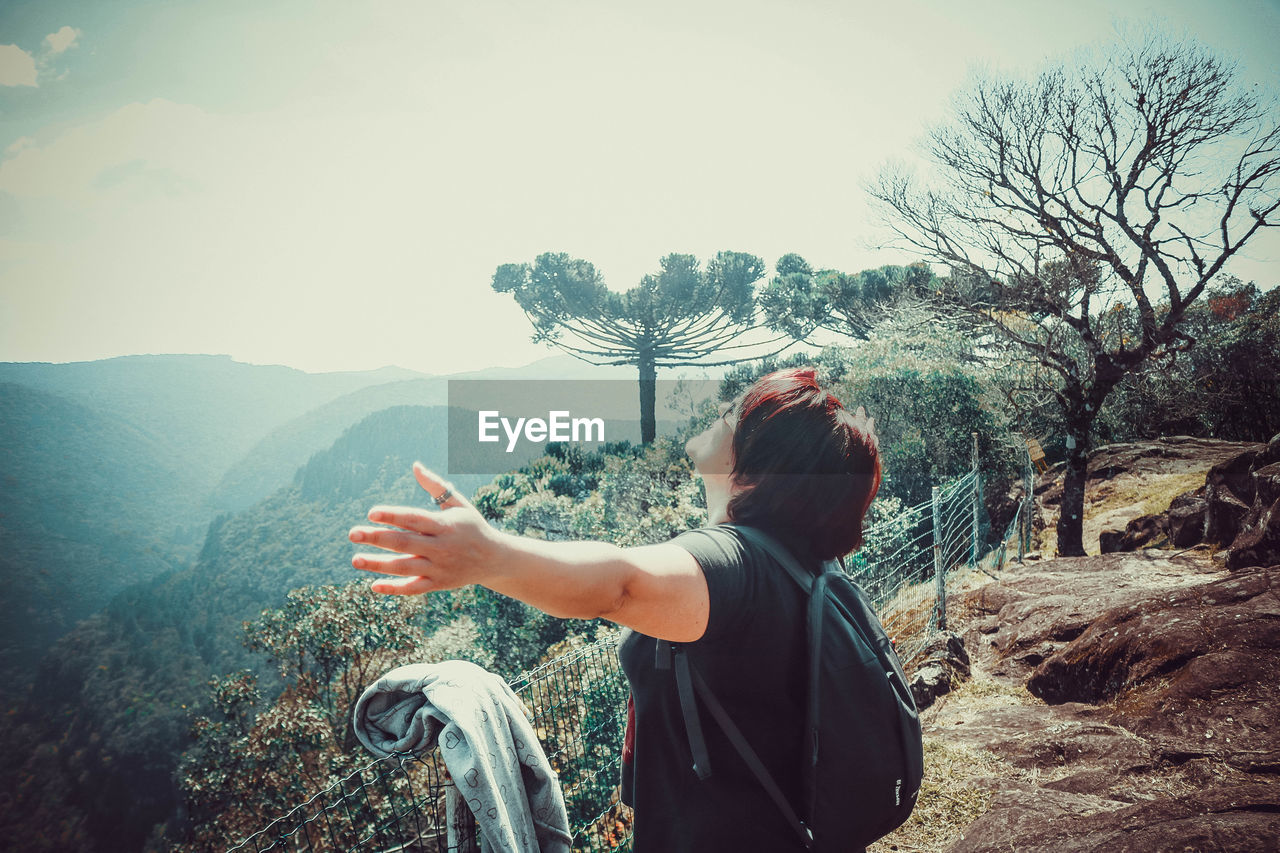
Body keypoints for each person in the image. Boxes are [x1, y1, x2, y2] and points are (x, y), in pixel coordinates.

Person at [349, 367, 882, 852]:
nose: (720, 413)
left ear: (757, 463)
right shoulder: (808, 560)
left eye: (733, 414)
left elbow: (620, 586)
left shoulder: (735, 563)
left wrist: (492, 556)